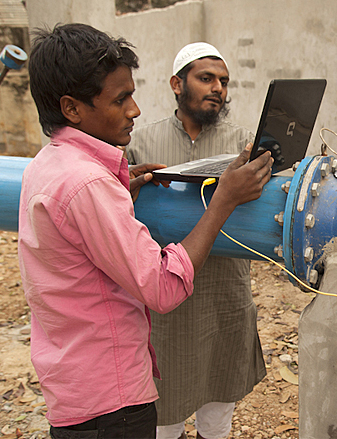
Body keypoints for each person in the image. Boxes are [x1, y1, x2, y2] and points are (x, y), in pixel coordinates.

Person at [18, 24, 272, 437]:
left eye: (223, 81)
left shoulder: (48, 164)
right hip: (110, 399)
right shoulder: (90, 181)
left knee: (218, 407)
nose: (134, 110)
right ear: (71, 108)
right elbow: (161, 288)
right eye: (121, 99)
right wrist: (223, 199)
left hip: (78, 382)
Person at [125, 43, 266, 439]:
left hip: (225, 297)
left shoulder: (246, 145)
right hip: (165, 305)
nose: (217, 87)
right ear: (176, 83)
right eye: (206, 78)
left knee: (217, 417)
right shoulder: (142, 142)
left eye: (223, 81)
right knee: (163, 419)